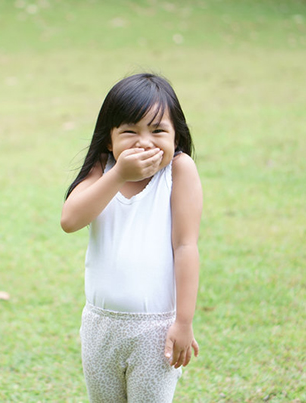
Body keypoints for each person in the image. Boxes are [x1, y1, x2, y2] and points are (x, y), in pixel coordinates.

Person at [61, 73, 202, 402]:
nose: (145, 142)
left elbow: (186, 247)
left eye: (158, 131)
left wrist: (184, 322)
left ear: (176, 137)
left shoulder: (179, 171)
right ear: (109, 140)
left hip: (156, 330)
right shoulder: (102, 168)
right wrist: (118, 174)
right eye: (130, 131)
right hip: (100, 327)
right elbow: (70, 220)